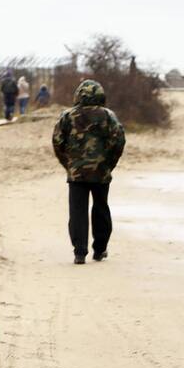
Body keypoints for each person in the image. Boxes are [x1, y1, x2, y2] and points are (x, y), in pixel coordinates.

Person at [52, 80, 126, 265]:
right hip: (101, 171)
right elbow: (118, 140)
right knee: (101, 208)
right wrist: (109, 163)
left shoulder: (67, 116)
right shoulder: (108, 116)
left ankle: (79, 252)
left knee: (77, 212)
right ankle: (100, 249)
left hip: (76, 172)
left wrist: (68, 164)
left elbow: (57, 142)